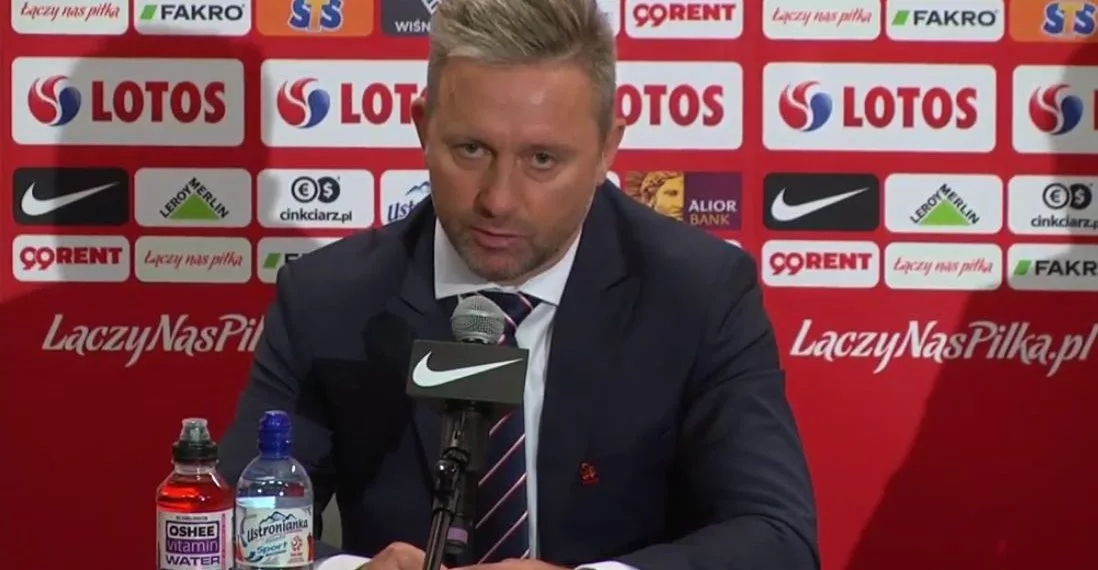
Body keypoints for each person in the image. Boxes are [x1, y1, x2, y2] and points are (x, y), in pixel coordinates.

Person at [218, 0, 820, 568]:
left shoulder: (697, 294)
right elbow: (232, 526)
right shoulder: (329, 299)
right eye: (471, 149)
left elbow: (777, 538)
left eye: (542, 160)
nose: (499, 200)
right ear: (423, 128)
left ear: (608, 149)